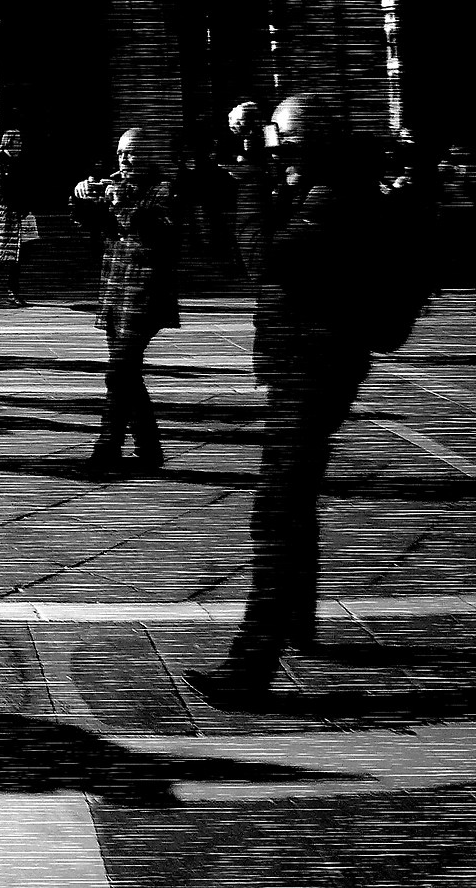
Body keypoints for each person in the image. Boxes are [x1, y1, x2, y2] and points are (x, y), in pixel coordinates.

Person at [187, 96, 383, 706]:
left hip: (314, 365)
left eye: (283, 144)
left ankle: (251, 665)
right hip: (311, 361)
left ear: (305, 144)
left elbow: (263, 258)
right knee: (294, 501)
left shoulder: (335, 197)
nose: (276, 153)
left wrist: (251, 178)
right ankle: (298, 621)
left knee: (275, 512)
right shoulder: (325, 187)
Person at [70, 129, 182, 475]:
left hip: (146, 292)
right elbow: (90, 224)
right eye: (120, 152)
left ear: (148, 154)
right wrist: (81, 197)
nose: (124, 159)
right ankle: (149, 448)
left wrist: (122, 204)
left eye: (131, 153)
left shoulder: (164, 189)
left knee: (119, 372)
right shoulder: (114, 184)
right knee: (127, 374)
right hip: (115, 291)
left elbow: (163, 232)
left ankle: (108, 448)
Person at [0, 129, 32, 306]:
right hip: (4, 216)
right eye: (17, 141)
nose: (20, 145)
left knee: (18, 256)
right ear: (9, 143)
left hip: (19, 214)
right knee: (3, 254)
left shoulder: (18, 163)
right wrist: (14, 199)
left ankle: (12, 291)